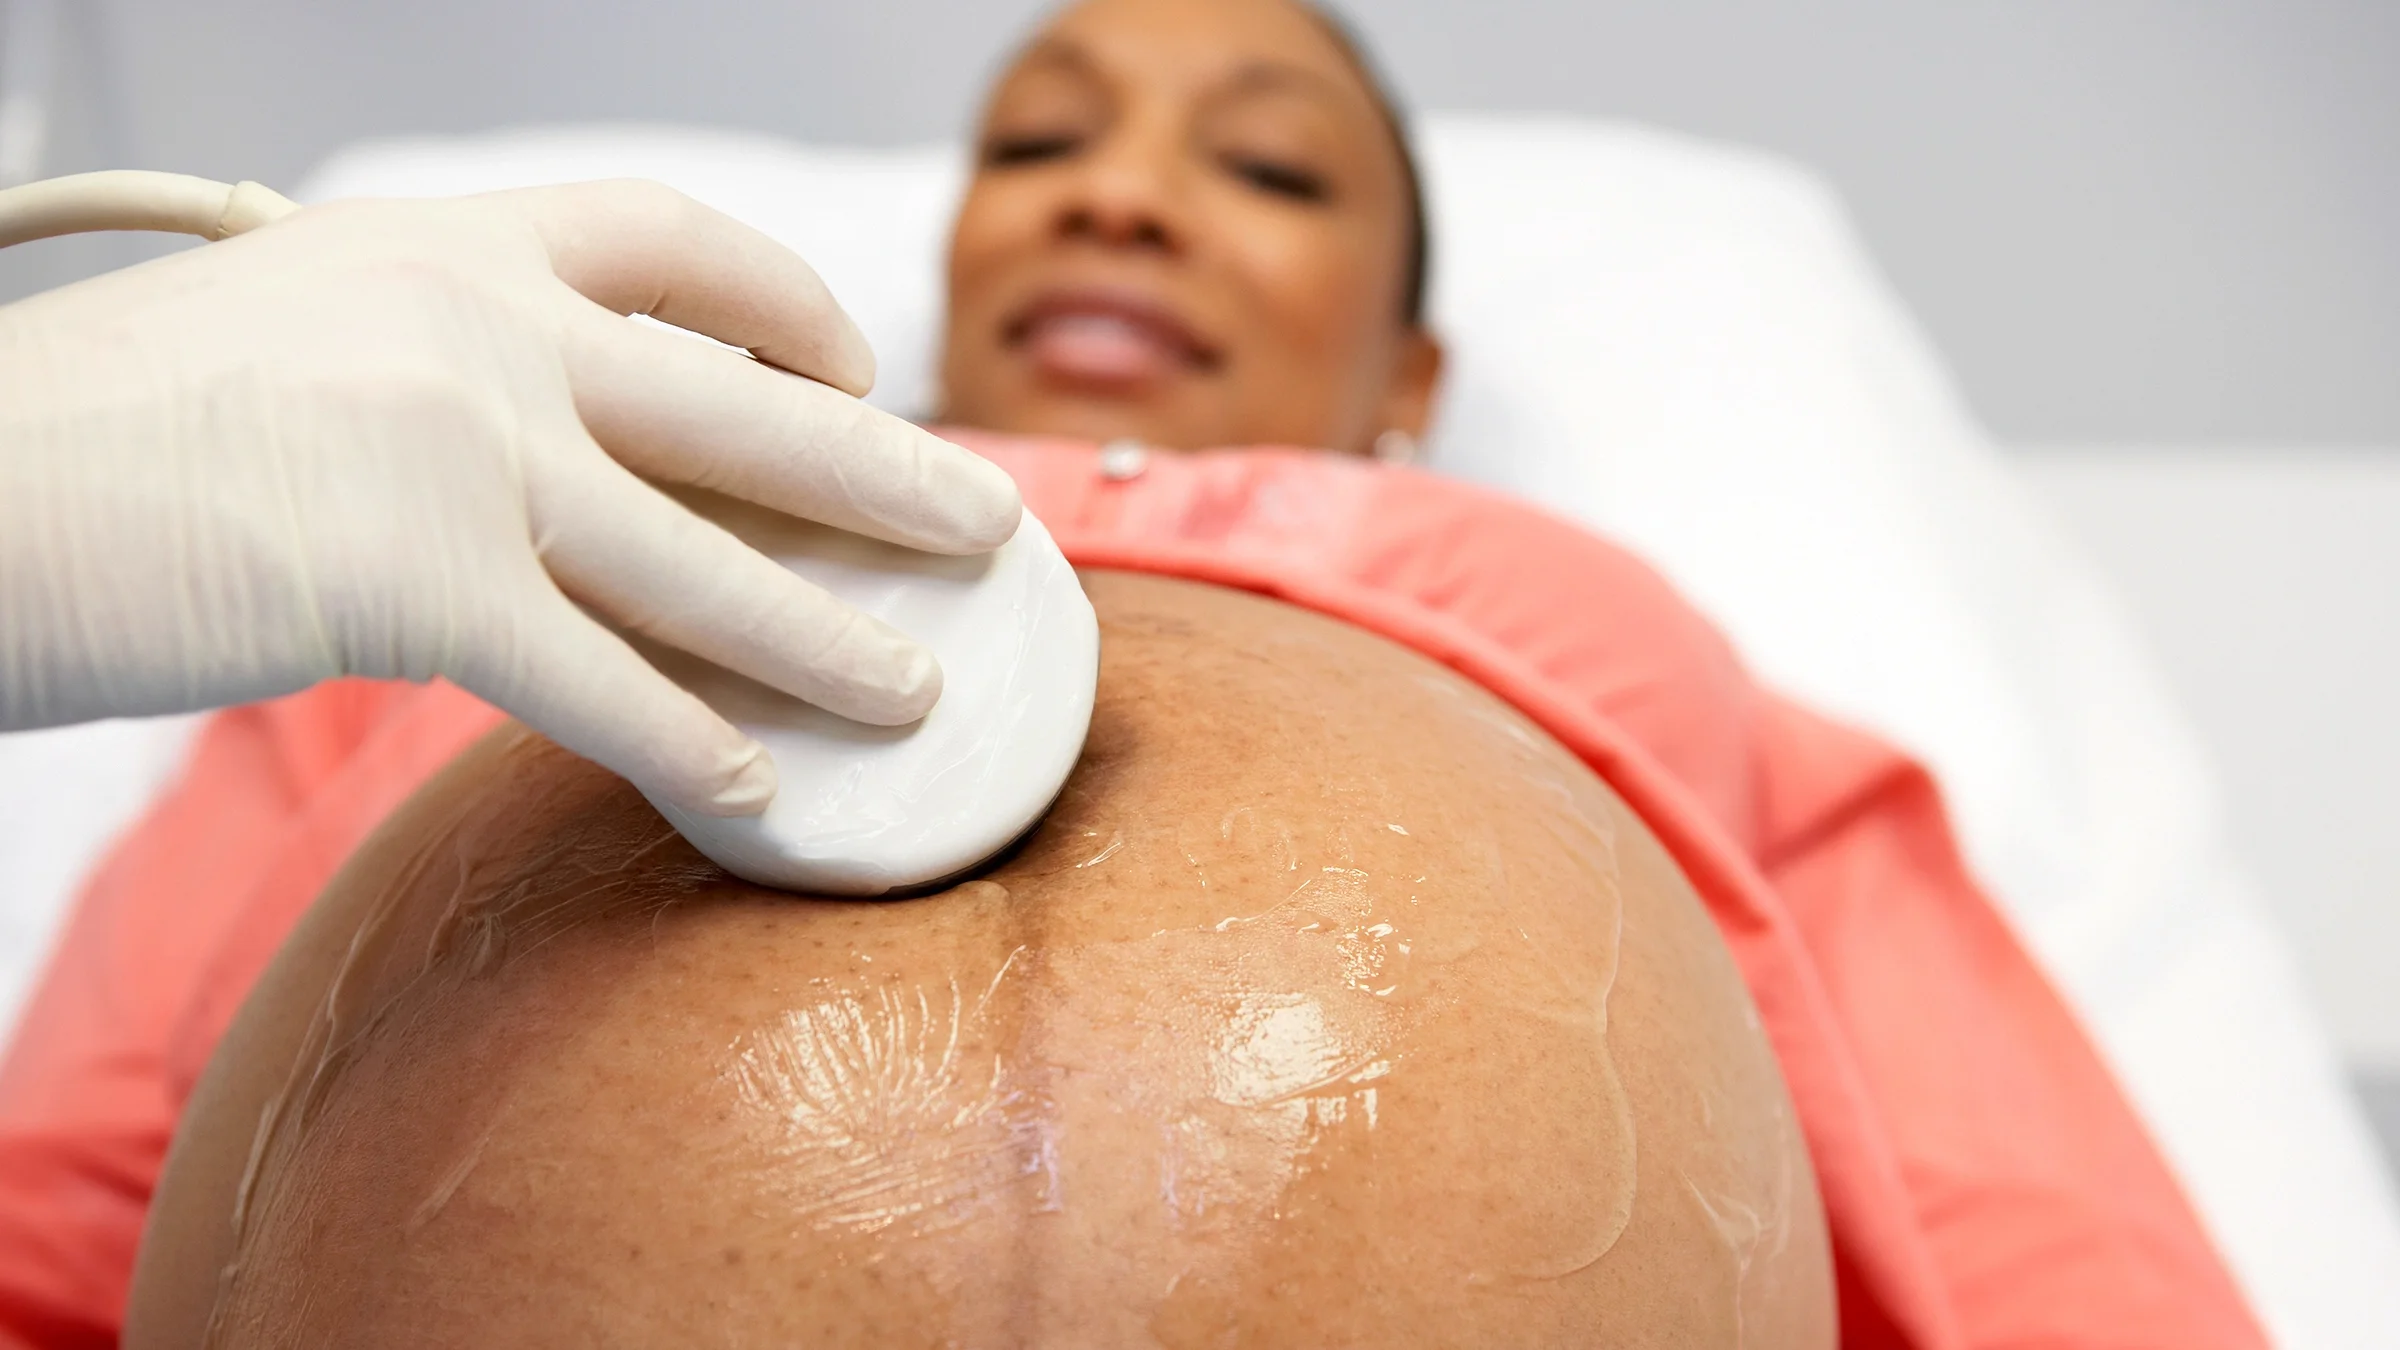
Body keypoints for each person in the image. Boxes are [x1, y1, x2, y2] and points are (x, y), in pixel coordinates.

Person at [0, 0, 2269, 1346]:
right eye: (1044, 143)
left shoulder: (1657, 655)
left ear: (1412, 375)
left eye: (1268, 167)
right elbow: (78, 1173)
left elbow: (2029, 1234)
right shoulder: (418, 557)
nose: (1123, 196)